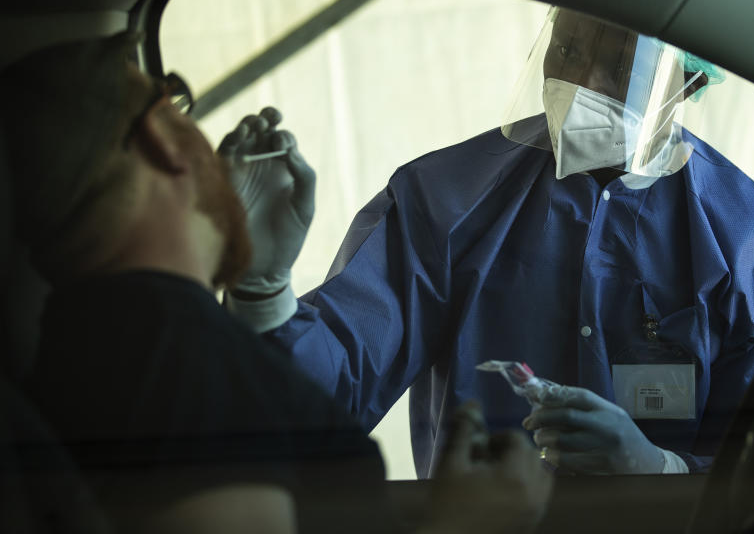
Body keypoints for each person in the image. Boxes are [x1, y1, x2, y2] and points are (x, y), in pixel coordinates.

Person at [223, 7, 754, 477]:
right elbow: (324, 394)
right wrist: (264, 291)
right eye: (566, 49)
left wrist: (658, 470)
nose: (579, 82)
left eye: (617, 65)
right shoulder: (447, 201)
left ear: (686, 79)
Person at [0, 32, 552, 533]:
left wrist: (261, 294)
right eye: (175, 100)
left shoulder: (84, 341)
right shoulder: (176, 352)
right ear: (159, 138)